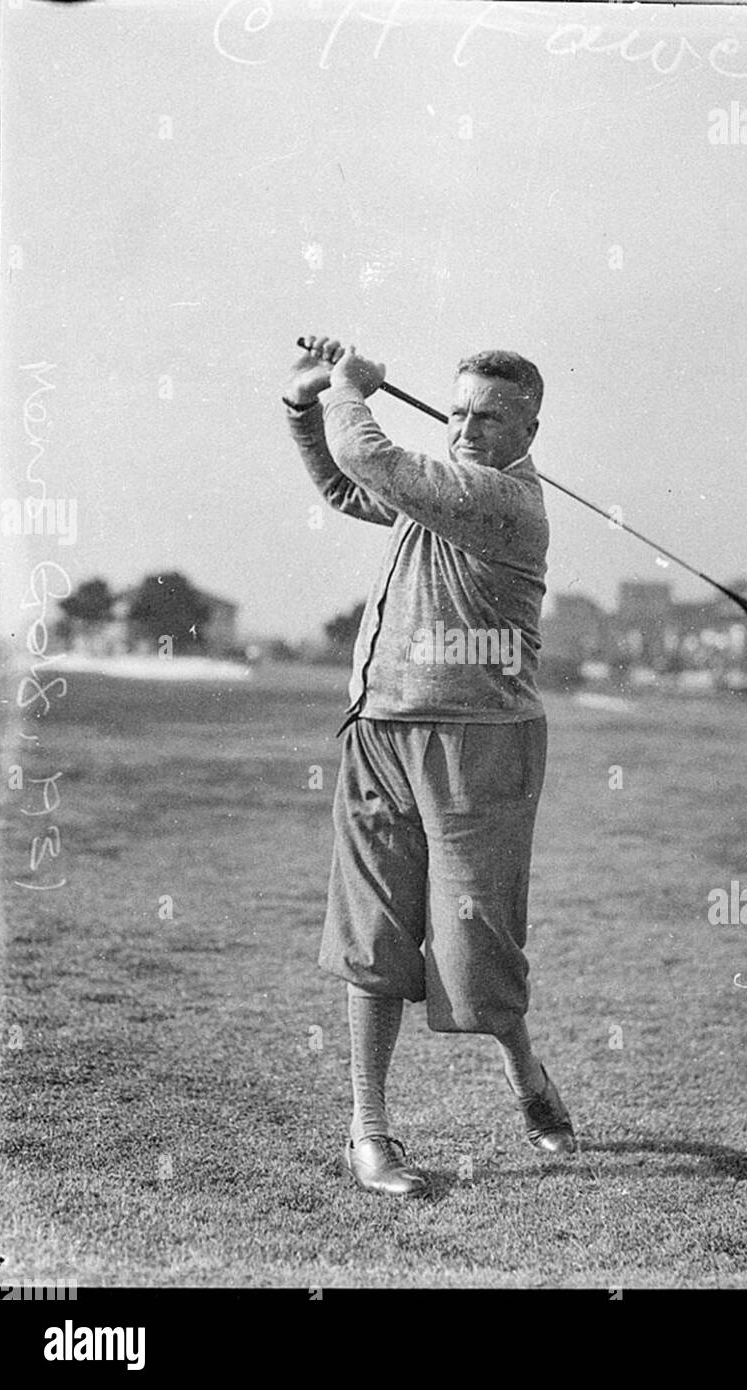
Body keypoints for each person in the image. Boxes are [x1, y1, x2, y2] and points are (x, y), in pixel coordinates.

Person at [283, 334, 575, 1197]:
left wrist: (351, 390)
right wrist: (308, 404)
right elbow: (346, 480)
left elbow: (367, 454)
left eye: (487, 416)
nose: (465, 428)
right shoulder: (439, 491)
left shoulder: (499, 501)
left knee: (474, 949)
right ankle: (369, 1135)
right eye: (454, 411)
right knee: (373, 937)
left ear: (530, 424)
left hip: (481, 739)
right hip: (379, 726)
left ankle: (525, 1071)